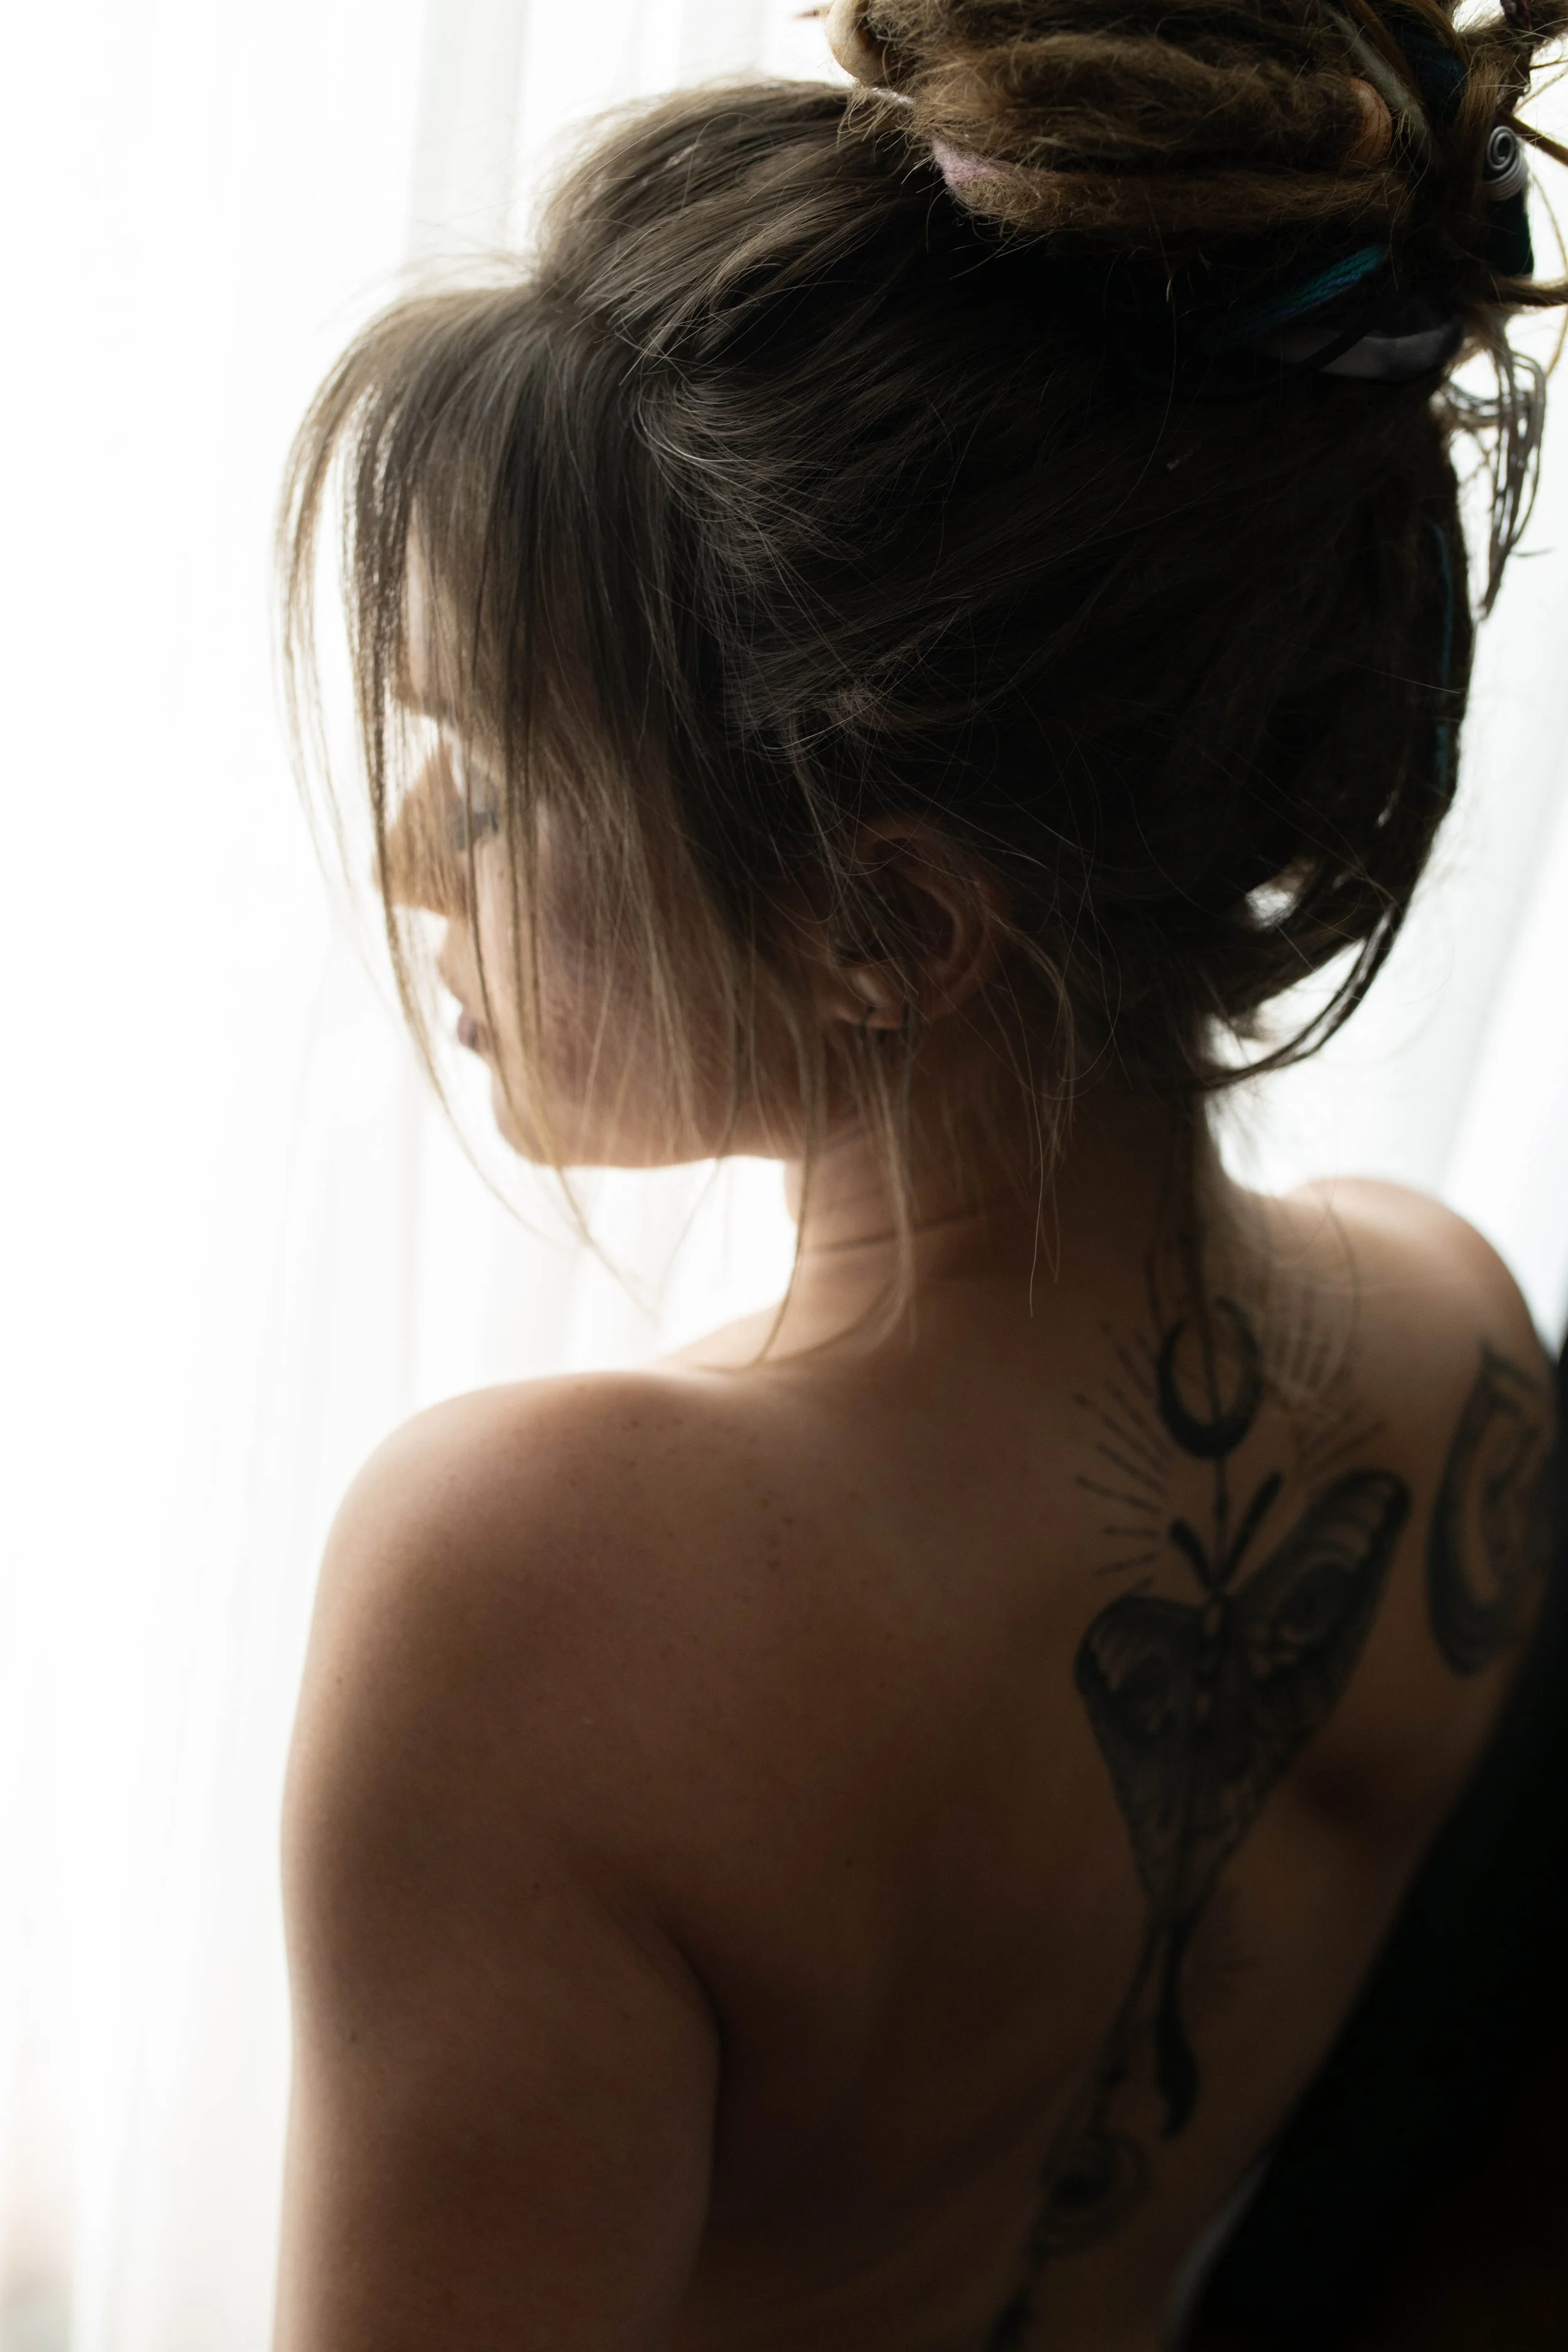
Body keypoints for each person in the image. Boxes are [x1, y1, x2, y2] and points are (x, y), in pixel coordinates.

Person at [272, 5, 1564, 2346]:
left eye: (490, 766)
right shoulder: (1460, 1345)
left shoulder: (534, 1593)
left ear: (884, 922)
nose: (412, 854)